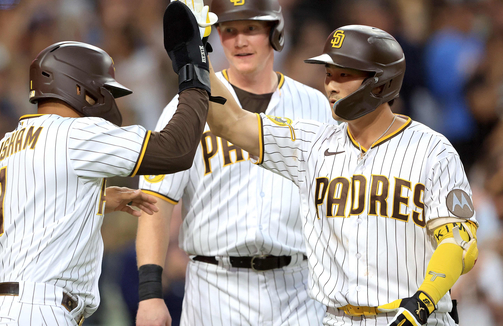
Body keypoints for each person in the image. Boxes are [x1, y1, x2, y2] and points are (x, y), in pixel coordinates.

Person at [205, 23, 479, 326]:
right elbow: (229, 122)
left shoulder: (432, 150)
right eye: (328, 74)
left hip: (415, 319)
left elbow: (461, 244)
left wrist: (423, 303)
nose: (330, 85)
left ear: (380, 82)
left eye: (344, 74)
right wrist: (195, 55)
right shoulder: (312, 144)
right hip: (337, 319)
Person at [0, 0, 216, 326]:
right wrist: (195, 75)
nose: (108, 99)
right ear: (79, 87)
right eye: (104, 89)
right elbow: (175, 150)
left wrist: (96, 200)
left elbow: (18, 217)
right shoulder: (74, 132)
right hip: (39, 310)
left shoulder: (3, 147)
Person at [135, 0, 333, 326]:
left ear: (275, 32)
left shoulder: (314, 104)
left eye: (251, 28)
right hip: (215, 286)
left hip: (300, 286)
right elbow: (156, 201)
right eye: (228, 30)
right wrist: (150, 293)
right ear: (214, 35)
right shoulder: (185, 107)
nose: (239, 41)